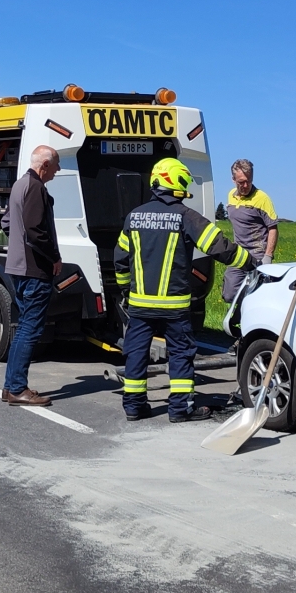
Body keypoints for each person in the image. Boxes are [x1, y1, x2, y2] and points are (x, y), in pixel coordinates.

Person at [113, 158, 257, 422]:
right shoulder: (184, 216)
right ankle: (180, 409)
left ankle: (134, 406)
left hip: (140, 306)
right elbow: (218, 246)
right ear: (177, 183)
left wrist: (125, 289)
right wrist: (249, 262)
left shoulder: (134, 216)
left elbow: (121, 259)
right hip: (174, 308)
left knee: (136, 353)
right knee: (180, 354)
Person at [0, 145, 62, 407]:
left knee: (24, 327)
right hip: (33, 269)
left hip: (17, 267)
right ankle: (16, 388)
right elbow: (35, 231)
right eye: (56, 165)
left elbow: (5, 223)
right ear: (44, 165)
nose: (57, 171)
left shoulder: (19, 185)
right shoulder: (35, 187)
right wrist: (54, 258)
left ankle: (11, 386)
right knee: (29, 329)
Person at [221, 159, 278, 303]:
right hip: (239, 254)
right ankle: (238, 315)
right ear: (233, 180)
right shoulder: (230, 196)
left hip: (257, 255)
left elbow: (272, 228)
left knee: (257, 296)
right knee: (229, 294)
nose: (246, 185)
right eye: (241, 182)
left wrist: (268, 256)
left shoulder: (262, 199)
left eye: (249, 180)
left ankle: (246, 319)